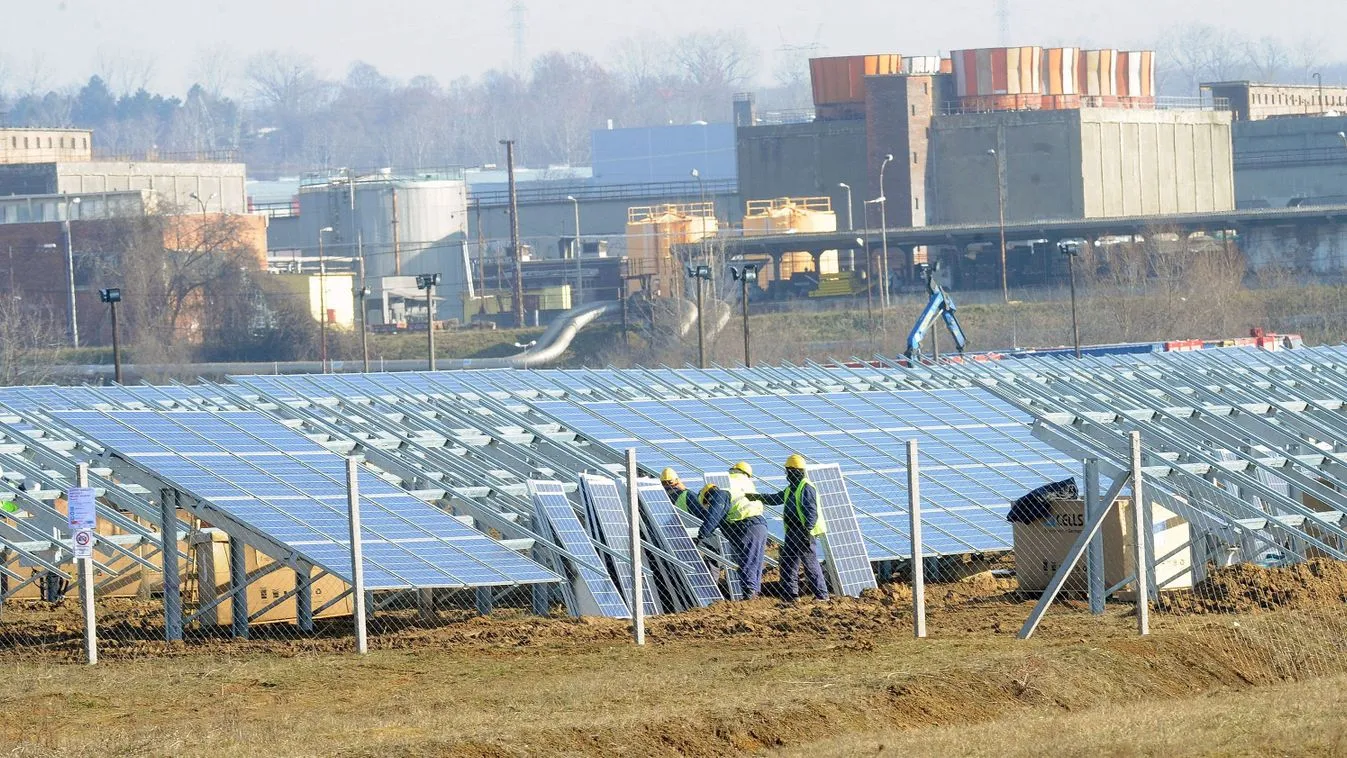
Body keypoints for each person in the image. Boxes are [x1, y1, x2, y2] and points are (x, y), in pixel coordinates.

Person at [746, 454, 829, 602]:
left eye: (789, 471)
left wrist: (806, 530)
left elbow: (812, 512)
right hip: (792, 531)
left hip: (803, 531)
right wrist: (757, 497)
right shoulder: (791, 489)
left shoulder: (806, 487)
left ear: (796, 471)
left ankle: (821, 595)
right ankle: (791, 595)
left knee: (810, 563)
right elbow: (776, 498)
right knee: (788, 562)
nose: (787, 475)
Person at [696, 479, 767, 599]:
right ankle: (754, 591)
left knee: (747, 560)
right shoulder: (731, 494)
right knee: (755, 560)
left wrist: (702, 535)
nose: (708, 507)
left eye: (707, 504)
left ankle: (749, 592)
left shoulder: (719, 496)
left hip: (748, 526)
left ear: (707, 497)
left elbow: (714, 516)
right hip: (760, 525)